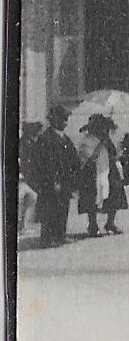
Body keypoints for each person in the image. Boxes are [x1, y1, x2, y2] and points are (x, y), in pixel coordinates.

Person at [27, 105, 81, 247]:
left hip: (64, 181)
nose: (65, 122)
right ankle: (47, 238)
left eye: (66, 119)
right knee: (49, 209)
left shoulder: (66, 139)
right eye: (62, 119)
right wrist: (52, 180)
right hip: (50, 181)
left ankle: (60, 235)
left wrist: (73, 177)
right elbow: (42, 163)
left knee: (63, 208)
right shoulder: (46, 139)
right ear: (54, 119)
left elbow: (73, 158)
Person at [77, 113, 128, 237]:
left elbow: (113, 153)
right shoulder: (87, 140)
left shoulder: (106, 139)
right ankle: (93, 225)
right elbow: (90, 157)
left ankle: (110, 223)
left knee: (115, 192)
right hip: (92, 172)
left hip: (108, 169)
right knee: (92, 197)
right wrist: (101, 144)